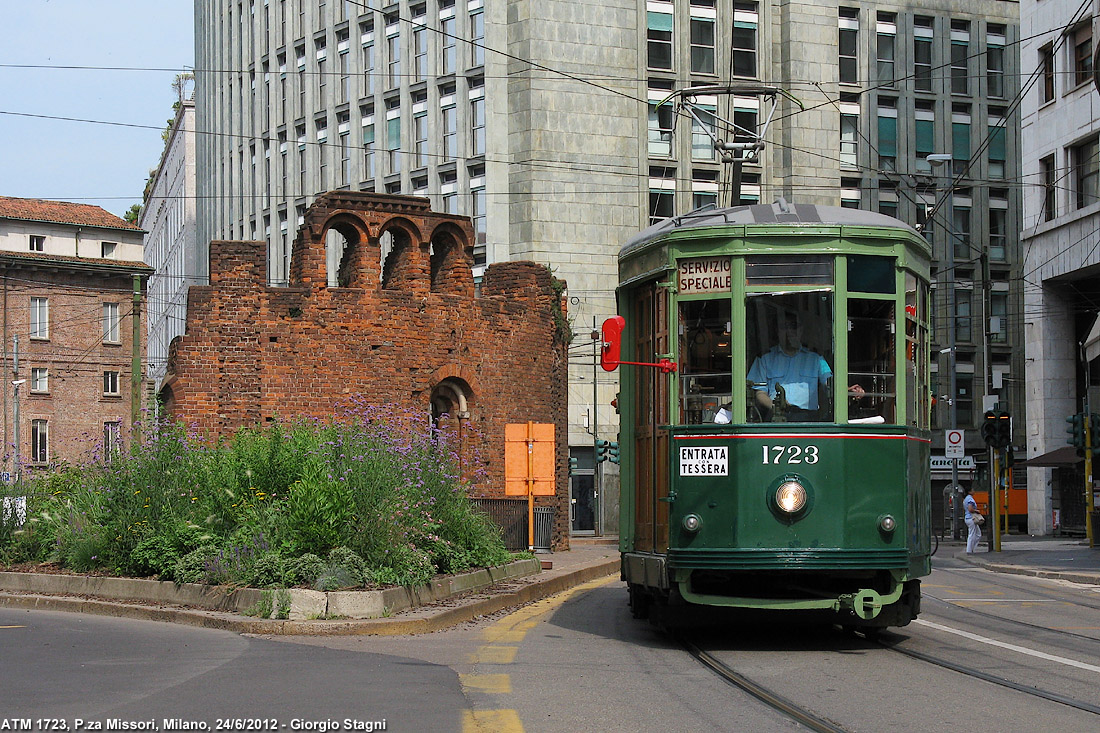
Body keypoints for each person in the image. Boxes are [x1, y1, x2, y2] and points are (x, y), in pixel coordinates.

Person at [747, 312, 865, 421]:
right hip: (776, 417)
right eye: (784, 326)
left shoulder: (816, 358)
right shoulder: (764, 358)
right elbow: (760, 393)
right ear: (777, 331)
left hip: (808, 419)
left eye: (794, 326)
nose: (789, 331)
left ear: (801, 330)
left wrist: (847, 390)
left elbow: (828, 383)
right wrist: (777, 407)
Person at [963, 486, 982, 554]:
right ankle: (969, 550)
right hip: (971, 518)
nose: (974, 491)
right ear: (969, 492)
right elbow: (970, 509)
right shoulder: (970, 499)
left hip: (968, 518)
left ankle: (971, 548)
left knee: (978, 534)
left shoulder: (966, 499)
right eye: (972, 490)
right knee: (972, 534)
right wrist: (976, 510)